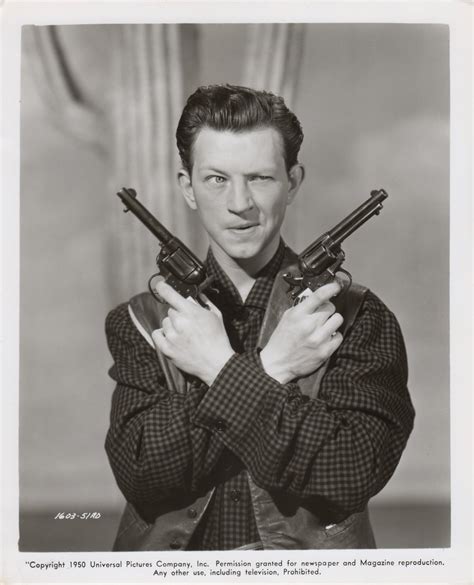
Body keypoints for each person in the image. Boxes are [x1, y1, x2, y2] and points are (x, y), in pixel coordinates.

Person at [105, 84, 415, 551]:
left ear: (292, 182)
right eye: (216, 179)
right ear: (188, 188)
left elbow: (350, 473)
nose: (239, 203)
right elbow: (145, 476)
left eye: (260, 178)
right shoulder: (142, 321)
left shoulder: (358, 318)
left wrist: (218, 370)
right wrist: (271, 369)